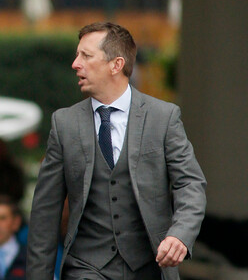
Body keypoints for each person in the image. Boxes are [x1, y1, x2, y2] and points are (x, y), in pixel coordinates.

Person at [26, 22, 206, 280]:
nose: (75, 64)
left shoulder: (163, 117)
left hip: (151, 267)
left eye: (86, 56)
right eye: (77, 55)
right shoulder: (64, 124)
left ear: (116, 65)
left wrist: (180, 235)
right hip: (85, 268)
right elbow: (45, 212)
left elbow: (190, 183)